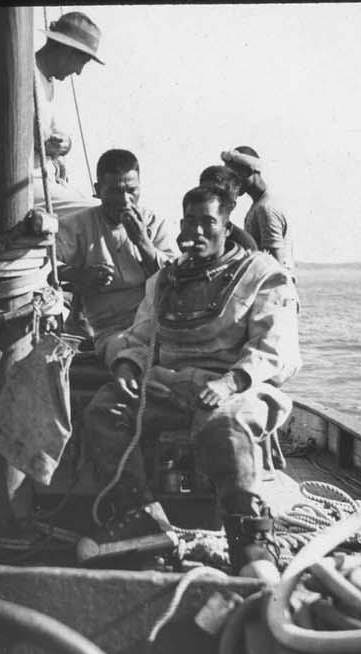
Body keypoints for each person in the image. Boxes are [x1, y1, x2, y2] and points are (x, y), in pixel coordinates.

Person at [79, 185, 301, 575]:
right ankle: (143, 519)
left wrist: (230, 383)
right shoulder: (164, 280)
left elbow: (276, 350)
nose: (196, 232)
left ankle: (248, 540)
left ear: (227, 226)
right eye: (190, 223)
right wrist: (127, 364)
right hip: (171, 386)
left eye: (208, 223)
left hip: (239, 387)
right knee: (105, 408)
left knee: (225, 423)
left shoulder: (263, 274)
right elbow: (140, 335)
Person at [56, 149, 178, 359]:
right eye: (114, 191)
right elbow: (43, 265)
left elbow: (174, 279)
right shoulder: (77, 225)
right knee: (127, 355)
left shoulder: (154, 223)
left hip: (156, 322)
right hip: (109, 330)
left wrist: (142, 242)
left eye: (132, 190)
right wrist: (78, 275)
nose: (125, 200)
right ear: (97, 190)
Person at [32, 11, 105, 218]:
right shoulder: (24, 73)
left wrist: (66, 144)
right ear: (67, 51)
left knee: (103, 206)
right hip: (26, 184)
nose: (80, 72)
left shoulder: (46, 79)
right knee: (102, 213)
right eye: (83, 62)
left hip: (48, 180)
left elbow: (51, 134)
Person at [221, 146, 295, 274]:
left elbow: (275, 266)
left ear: (249, 171)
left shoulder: (266, 209)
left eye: (234, 177)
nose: (230, 184)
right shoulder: (261, 205)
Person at [197, 165, 260, 254]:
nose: (209, 199)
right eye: (205, 192)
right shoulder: (190, 233)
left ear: (231, 205)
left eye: (218, 195)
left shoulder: (244, 244)